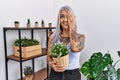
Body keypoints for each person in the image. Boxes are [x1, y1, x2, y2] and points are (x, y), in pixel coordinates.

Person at [47, 6, 85, 80]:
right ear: (59, 19)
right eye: (62, 16)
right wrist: (52, 64)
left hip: (73, 75)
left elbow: (74, 48)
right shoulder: (52, 37)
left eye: (68, 17)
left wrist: (72, 27)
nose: (65, 20)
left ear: (73, 19)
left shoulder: (81, 37)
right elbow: (49, 56)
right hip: (55, 75)